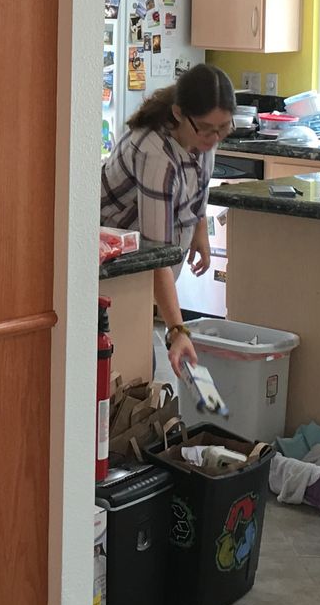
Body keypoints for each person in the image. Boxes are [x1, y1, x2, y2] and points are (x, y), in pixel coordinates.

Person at [99, 63, 236, 383]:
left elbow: (200, 184)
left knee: (135, 359)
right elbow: (154, 253)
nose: (214, 138)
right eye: (206, 128)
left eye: (224, 127)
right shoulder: (155, 153)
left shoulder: (203, 138)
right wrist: (177, 330)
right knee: (125, 366)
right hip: (113, 263)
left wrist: (199, 231)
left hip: (143, 264)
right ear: (178, 114)